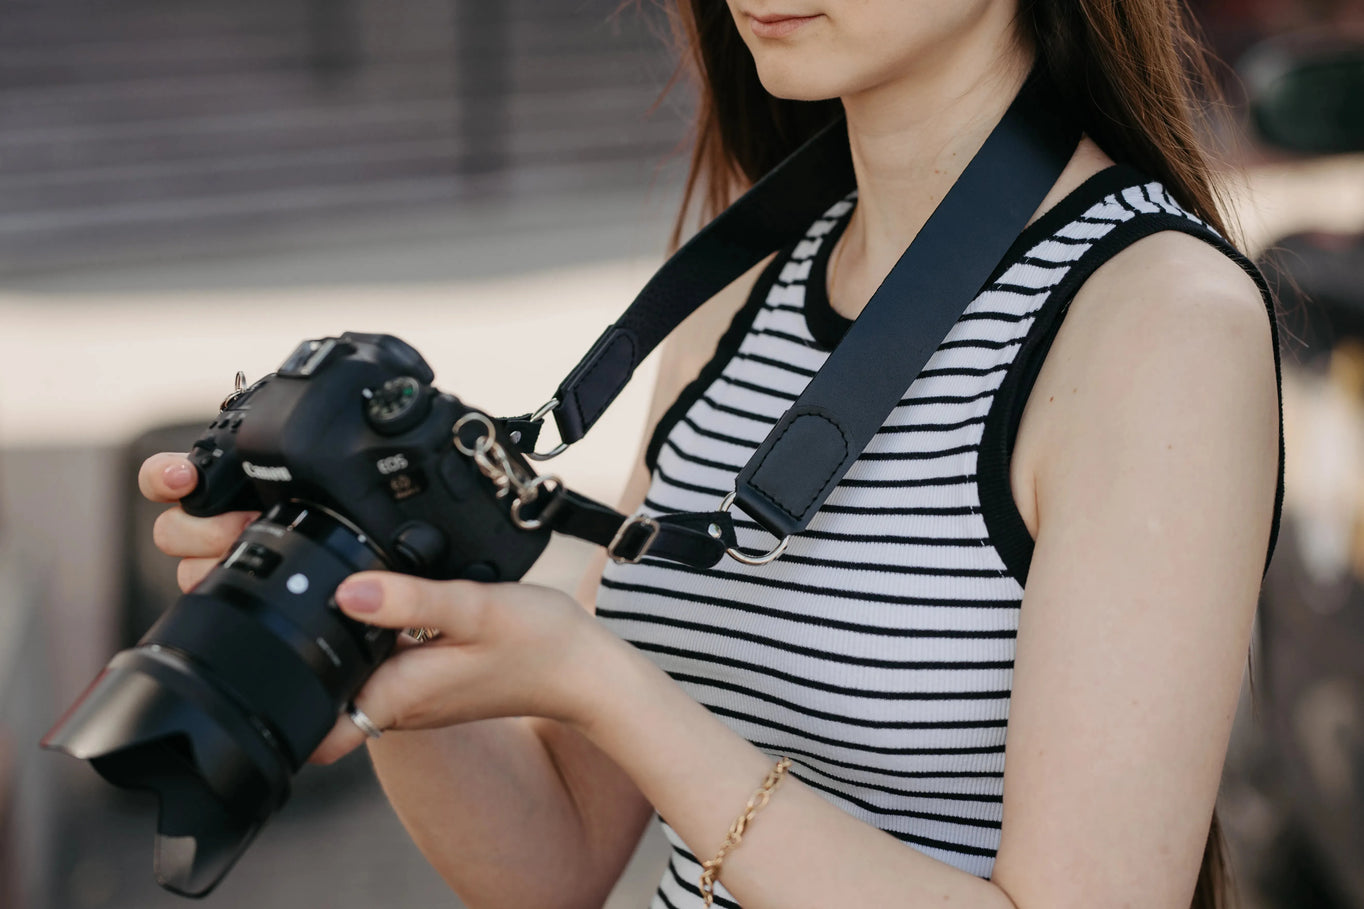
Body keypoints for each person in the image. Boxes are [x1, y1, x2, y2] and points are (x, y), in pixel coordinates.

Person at [139, 1, 1284, 907]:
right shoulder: (740, 293)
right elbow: (550, 867)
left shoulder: (1158, 324)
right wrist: (367, 597)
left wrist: (610, 692)